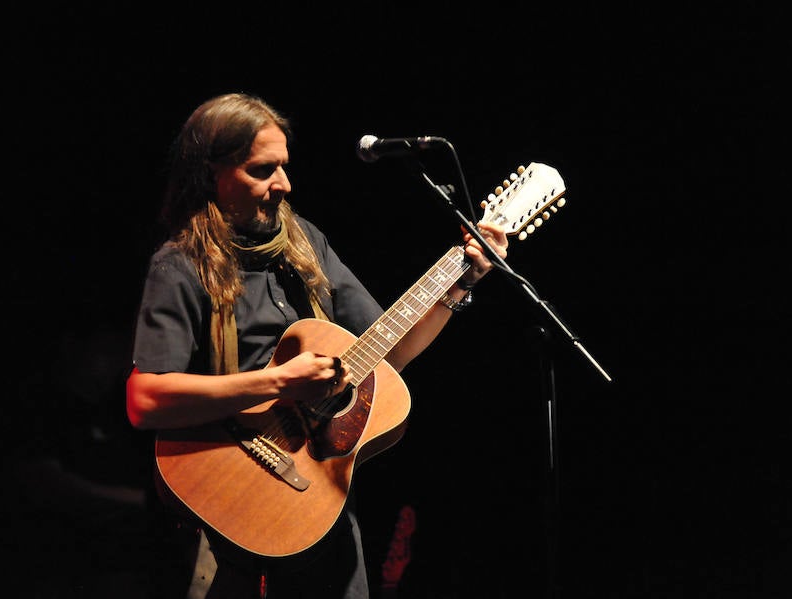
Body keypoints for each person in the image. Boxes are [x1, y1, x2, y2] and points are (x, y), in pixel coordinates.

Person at [125, 92, 508, 599]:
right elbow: (145, 399)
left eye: (283, 166)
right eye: (263, 171)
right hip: (229, 502)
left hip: (316, 502)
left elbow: (385, 353)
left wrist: (460, 285)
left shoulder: (304, 241)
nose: (284, 184)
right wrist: (278, 381)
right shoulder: (179, 266)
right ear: (209, 175)